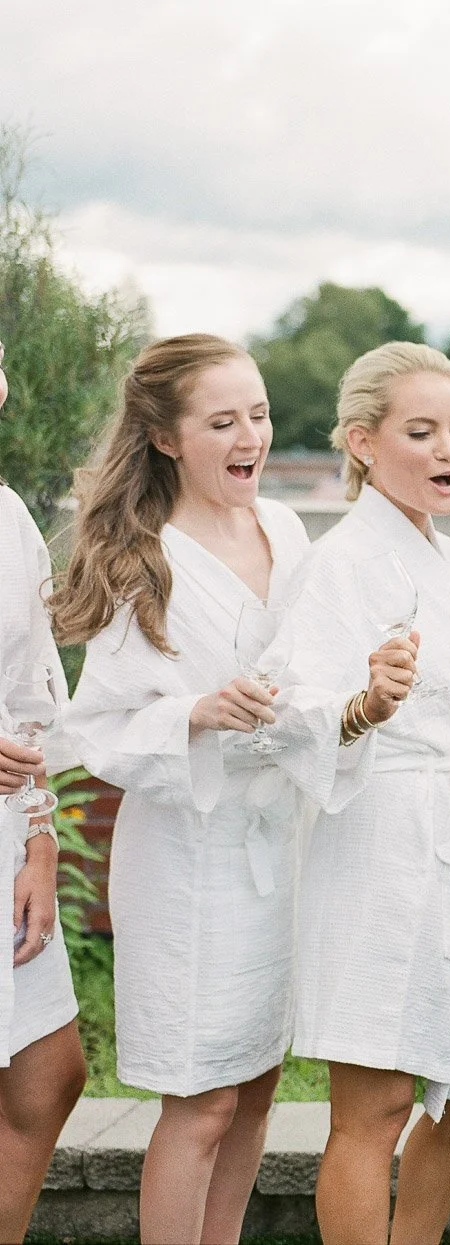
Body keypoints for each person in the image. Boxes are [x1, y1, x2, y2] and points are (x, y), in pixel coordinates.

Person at [268, 342, 450, 1245]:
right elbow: (288, 711)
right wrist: (365, 705)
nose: (448, 449)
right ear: (363, 441)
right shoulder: (336, 563)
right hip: (379, 849)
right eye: (421, 432)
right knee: (375, 1106)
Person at [54, 334, 309, 1244]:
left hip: (279, 846)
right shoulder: (141, 559)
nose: (252, 437)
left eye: (260, 414)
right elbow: (96, 727)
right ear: (166, 438)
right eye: (223, 421)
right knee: (202, 1102)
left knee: (256, 1088)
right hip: (187, 861)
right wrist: (195, 712)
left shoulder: (288, 530)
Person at [0, 335, 86, 1241]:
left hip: (2, 836)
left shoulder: (6, 515)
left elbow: (29, 693)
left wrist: (39, 837)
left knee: (48, 1075)